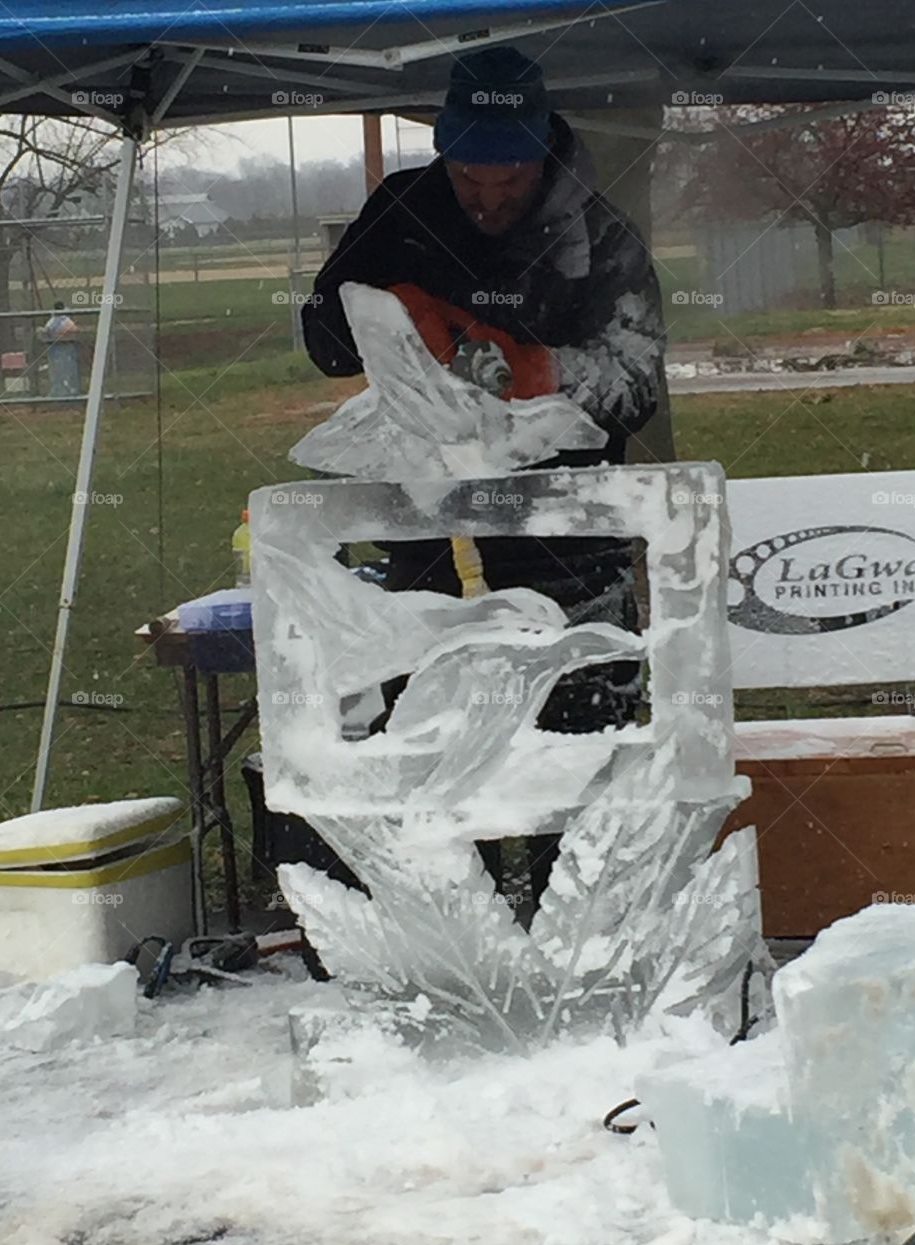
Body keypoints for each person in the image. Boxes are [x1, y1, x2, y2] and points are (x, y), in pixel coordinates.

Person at [301, 46, 666, 909]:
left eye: (508, 179)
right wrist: (391, 306)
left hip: (562, 519)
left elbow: (639, 383)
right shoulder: (404, 207)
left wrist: (536, 369)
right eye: (471, 177)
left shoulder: (600, 233)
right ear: (445, 150)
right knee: (428, 706)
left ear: (542, 152)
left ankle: (574, 910)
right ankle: (443, 910)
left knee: (577, 706)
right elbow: (320, 331)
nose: (489, 198)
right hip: (422, 510)